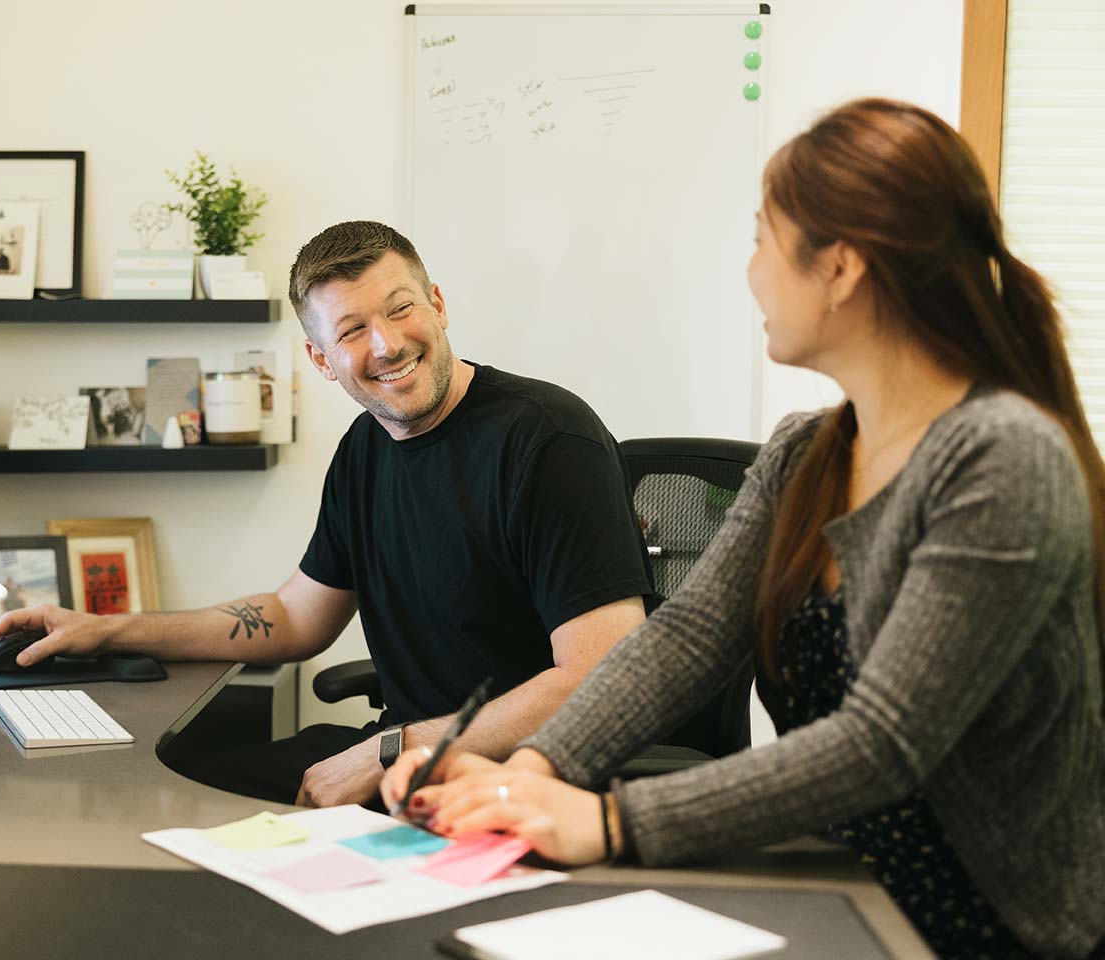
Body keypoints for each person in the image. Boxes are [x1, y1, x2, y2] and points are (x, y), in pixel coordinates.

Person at [383, 100, 1105, 958]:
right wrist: (533, 773)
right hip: (841, 892)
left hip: (991, 926)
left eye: (763, 239)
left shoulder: (1001, 459)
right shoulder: (808, 453)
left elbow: (885, 741)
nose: (752, 271)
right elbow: (687, 637)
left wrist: (611, 820)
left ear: (838, 267)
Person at [0, 220, 651, 808]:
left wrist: (387, 752)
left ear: (438, 304)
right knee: (175, 788)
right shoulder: (366, 449)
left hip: (526, 775)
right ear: (321, 359)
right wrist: (106, 630)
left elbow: (600, 677)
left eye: (401, 308)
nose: (385, 345)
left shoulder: (549, 440)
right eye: (352, 330)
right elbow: (295, 617)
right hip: (403, 755)